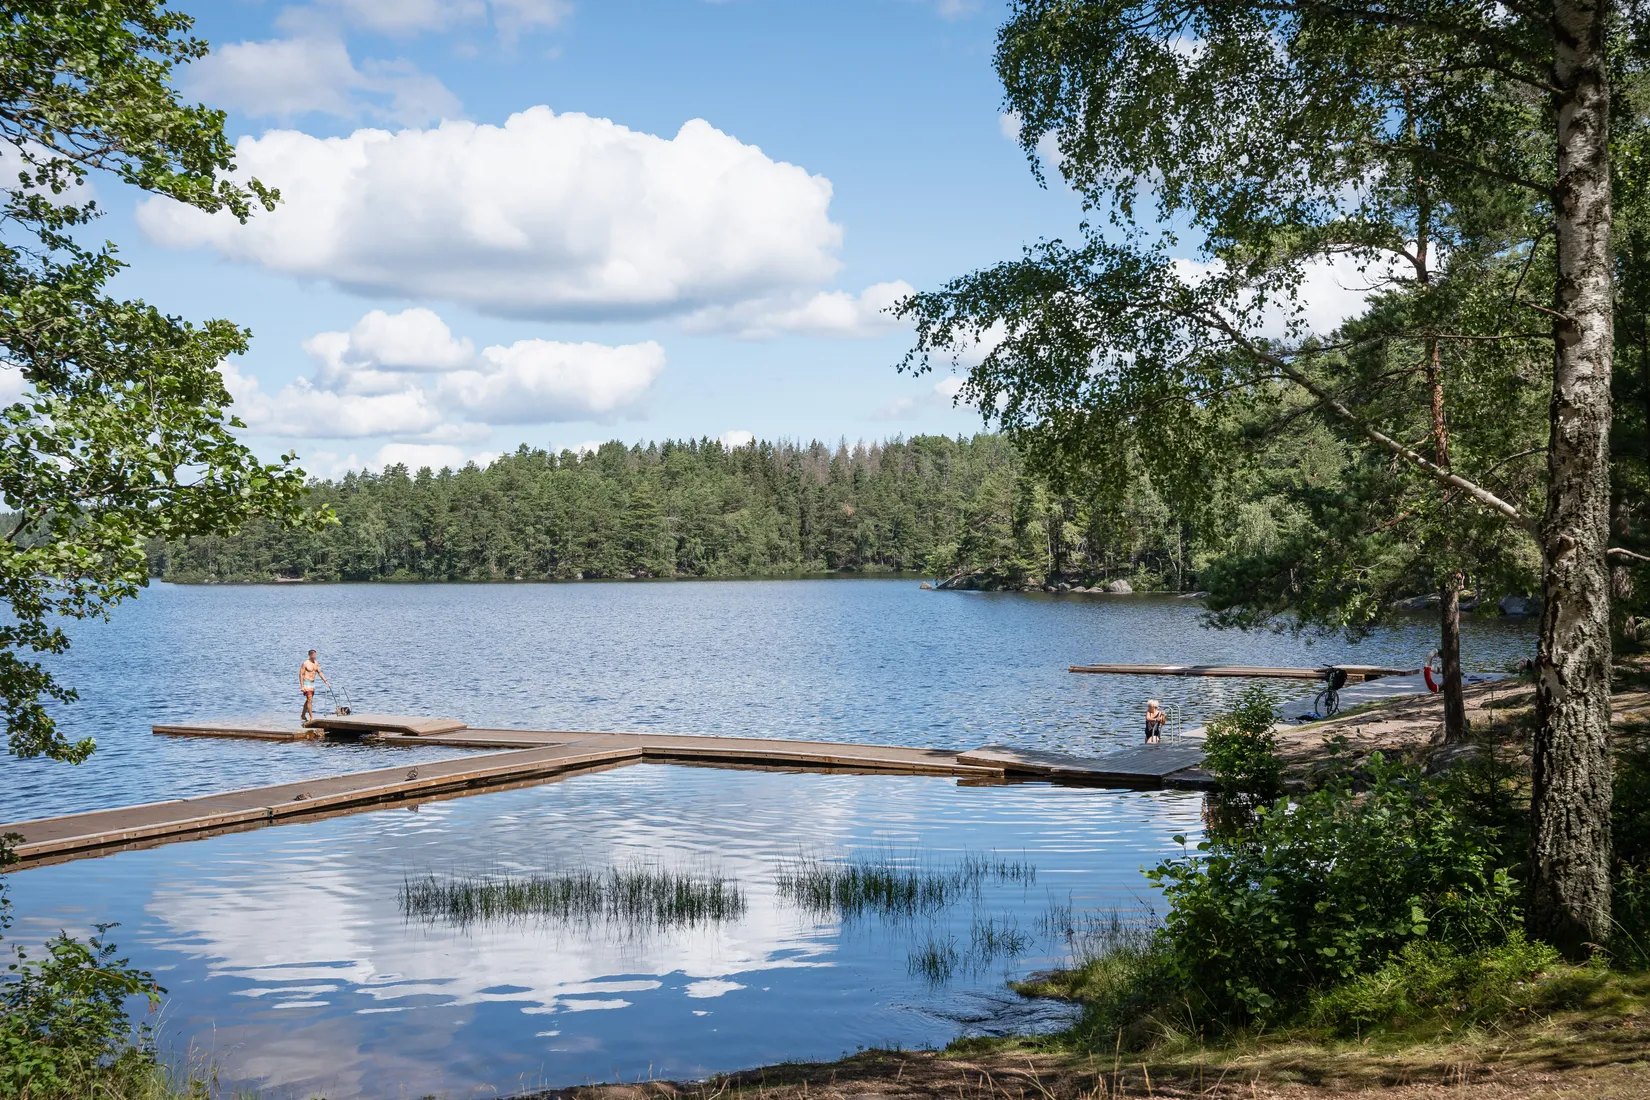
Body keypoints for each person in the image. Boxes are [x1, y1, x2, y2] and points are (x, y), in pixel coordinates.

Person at [299, 649, 330, 724]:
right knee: (310, 699)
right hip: (306, 683)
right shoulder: (305, 663)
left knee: (309, 700)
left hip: (312, 684)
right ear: (310, 655)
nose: (315, 656)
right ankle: (311, 717)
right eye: (314, 655)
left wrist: (325, 681)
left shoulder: (316, 663)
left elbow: (319, 672)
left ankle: (303, 715)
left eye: (316, 655)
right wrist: (302, 686)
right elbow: (300, 674)